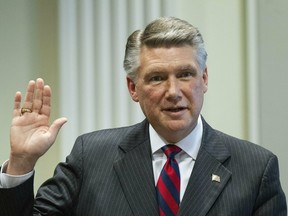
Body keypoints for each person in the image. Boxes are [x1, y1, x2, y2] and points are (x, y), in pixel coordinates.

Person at [0, 17, 286, 216]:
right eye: (157, 78)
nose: (174, 91)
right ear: (133, 88)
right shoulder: (91, 157)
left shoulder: (256, 169)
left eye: (185, 74)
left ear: (205, 78)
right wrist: (21, 164)